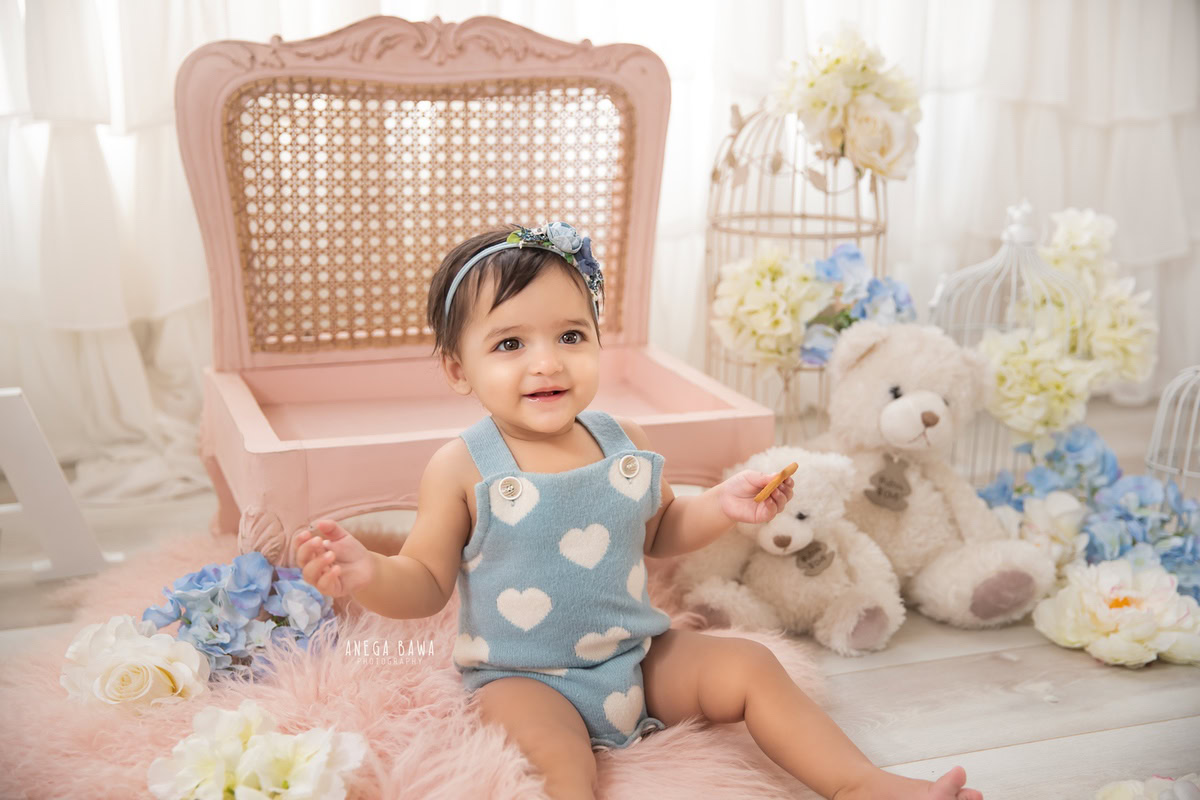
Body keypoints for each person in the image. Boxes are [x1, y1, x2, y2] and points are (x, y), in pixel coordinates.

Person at [294, 223, 983, 800]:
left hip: (637, 655)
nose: (547, 363)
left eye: (570, 336)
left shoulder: (622, 443)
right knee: (557, 757)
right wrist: (369, 572)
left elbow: (661, 530)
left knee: (749, 666)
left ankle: (861, 783)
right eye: (510, 344)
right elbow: (424, 582)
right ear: (457, 369)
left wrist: (721, 505)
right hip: (523, 677)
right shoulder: (463, 466)